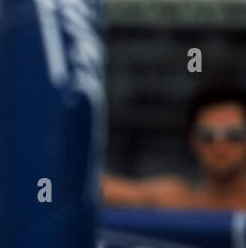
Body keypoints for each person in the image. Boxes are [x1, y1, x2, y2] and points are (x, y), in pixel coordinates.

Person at [103, 86, 246, 211]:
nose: (220, 146)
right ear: (193, 140)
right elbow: (106, 189)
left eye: (234, 135)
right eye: (207, 136)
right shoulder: (178, 201)